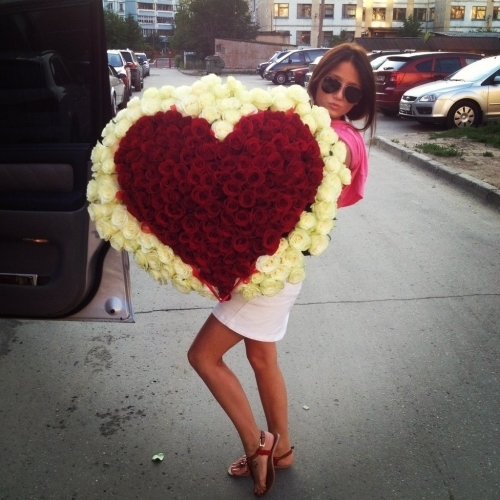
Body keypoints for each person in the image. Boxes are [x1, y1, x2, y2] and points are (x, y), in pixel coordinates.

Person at [187, 43, 376, 498]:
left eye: (351, 93)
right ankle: (284, 447)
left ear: (360, 102)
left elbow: (333, 164)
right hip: (266, 266)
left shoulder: (340, 140)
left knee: (203, 357)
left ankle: (258, 446)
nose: (337, 97)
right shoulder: (294, 121)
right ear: (317, 79)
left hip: (269, 271)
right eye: (332, 84)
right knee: (261, 357)